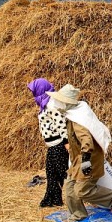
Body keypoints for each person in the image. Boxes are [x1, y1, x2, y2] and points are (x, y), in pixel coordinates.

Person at [46, 84, 112, 222]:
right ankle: (78, 213)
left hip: (88, 159)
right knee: (69, 188)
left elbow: (86, 140)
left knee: (82, 190)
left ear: (67, 102)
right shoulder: (73, 115)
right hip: (77, 159)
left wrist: (86, 159)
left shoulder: (78, 120)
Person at [28, 78, 69, 208]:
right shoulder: (44, 104)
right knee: (51, 174)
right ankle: (53, 199)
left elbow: (61, 124)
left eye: (34, 90)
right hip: (52, 146)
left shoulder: (52, 104)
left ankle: (86, 195)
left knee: (65, 173)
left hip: (58, 144)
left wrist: (66, 142)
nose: (32, 93)